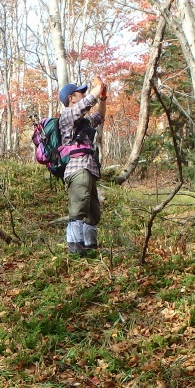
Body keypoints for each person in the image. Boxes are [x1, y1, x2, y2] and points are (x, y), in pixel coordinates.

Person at [59, 75, 107, 255]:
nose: (83, 95)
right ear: (71, 98)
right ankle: (76, 252)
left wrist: (103, 97)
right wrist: (98, 87)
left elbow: (100, 116)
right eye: (80, 93)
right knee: (78, 209)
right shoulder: (67, 115)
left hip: (89, 169)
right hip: (77, 168)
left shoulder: (83, 123)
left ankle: (90, 249)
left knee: (92, 212)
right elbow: (87, 103)